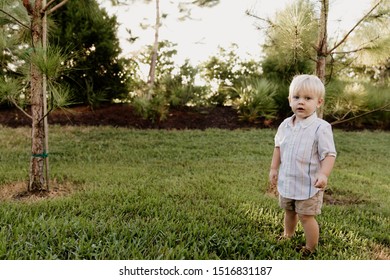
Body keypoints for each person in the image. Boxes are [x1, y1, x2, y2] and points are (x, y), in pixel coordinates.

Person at [269, 74, 337, 256]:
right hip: (288, 180)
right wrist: (274, 169)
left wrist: (324, 174)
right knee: (289, 211)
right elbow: (278, 147)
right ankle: (288, 234)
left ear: (319, 102)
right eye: (296, 97)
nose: (301, 102)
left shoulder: (321, 128)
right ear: (289, 100)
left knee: (306, 216)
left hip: (309, 184)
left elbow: (329, 154)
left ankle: (310, 247)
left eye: (308, 98)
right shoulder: (285, 125)